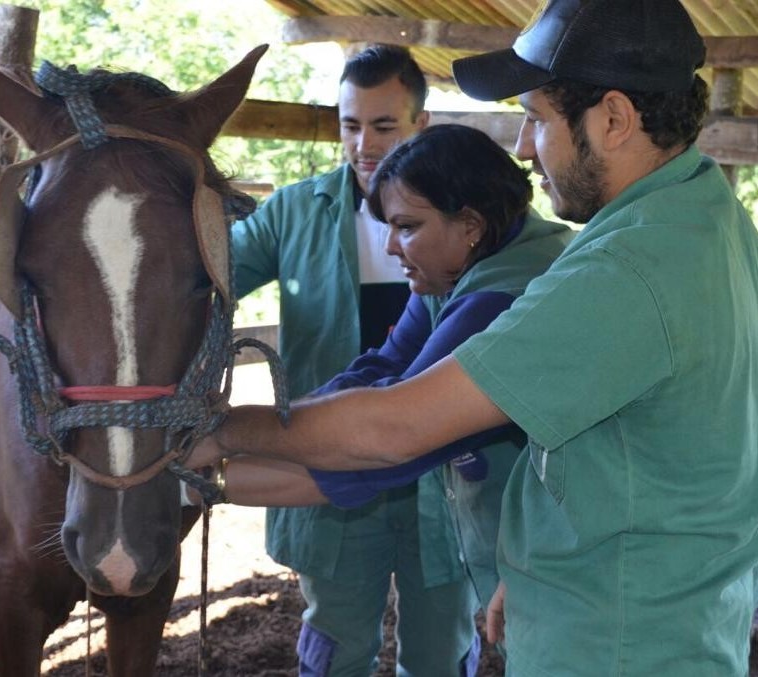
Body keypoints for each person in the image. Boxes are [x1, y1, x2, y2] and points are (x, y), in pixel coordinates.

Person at [197, 1, 758, 675]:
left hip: (611, 646)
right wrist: (532, 567)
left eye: (536, 117)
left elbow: (393, 432)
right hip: (656, 615)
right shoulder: (706, 216)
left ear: (611, 119)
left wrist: (215, 430)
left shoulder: (619, 270)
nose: (522, 146)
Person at [211, 124, 572, 612]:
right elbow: (380, 368)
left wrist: (213, 458)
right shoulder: (470, 267)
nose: (390, 248)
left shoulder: (500, 299)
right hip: (536, 555)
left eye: (407, 227)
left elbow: (389, 442)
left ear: (469, 225)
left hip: (572, 570)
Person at [231, 44, 481, 676]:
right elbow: (204, 276)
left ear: (421, 124)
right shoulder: (291, 212)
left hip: (446, 486)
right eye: (350, 125)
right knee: (335, 651)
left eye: (383, 125)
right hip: (331, 481)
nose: (364, 144)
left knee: (438, 658)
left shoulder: (472, 220)